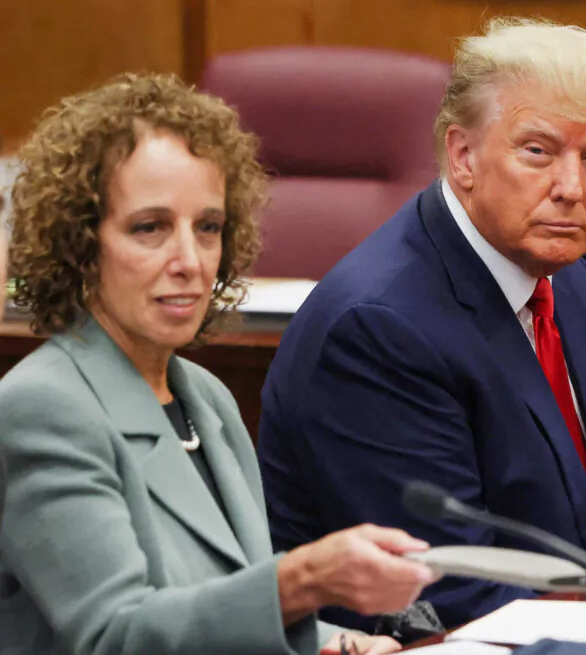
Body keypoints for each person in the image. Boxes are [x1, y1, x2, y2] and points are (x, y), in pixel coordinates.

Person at [0, 74, 435, 655]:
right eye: (150, 228)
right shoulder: (43, 408)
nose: (191, 261)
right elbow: (116, 635)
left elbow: (220, 607)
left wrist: (340, 642)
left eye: (208, 227)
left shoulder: (206, 397)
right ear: (79, 246)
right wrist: (300, 583)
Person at [258, 18, 586, 630]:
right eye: (539, 151)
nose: (571, 188)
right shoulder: (378, 331)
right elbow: (446, 596)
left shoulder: (569, 283)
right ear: (463, 155)